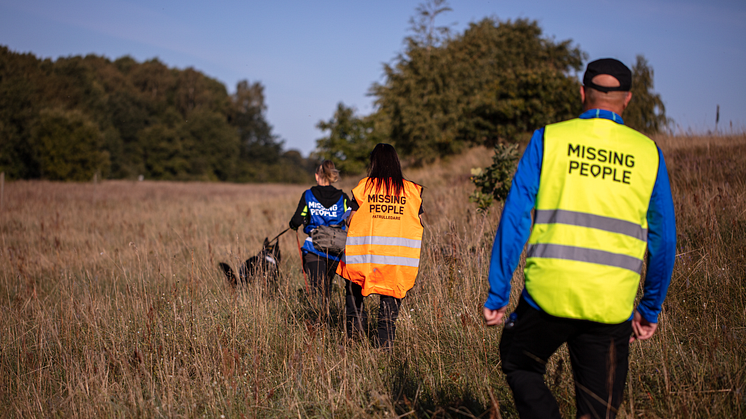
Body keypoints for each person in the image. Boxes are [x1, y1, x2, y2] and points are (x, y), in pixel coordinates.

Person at [482, 58, 676, 419]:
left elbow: (516, 217)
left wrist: (498, 292)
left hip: (547, 296)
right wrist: (650, 309)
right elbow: (663, 240)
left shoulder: (550, 138)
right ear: (628, 99)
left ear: (583, 92)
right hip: (611, 303)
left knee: (519, 363)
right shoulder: (648, 153)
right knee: (597, 410)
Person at [336, 143, 424, 349]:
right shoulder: (412, 191)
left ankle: (354, 341)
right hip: (397, 260)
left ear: (373, 162)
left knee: (353, 296)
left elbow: (351, 220)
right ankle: (384, 349)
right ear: (396, 162)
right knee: (388, 310)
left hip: (364, 258)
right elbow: (418, 221)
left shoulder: (364, 188)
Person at [289, 160, 351, 306]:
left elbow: (297, 220)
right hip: (336, 250)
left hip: (313, 249)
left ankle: (319, 319)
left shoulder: (308, 195)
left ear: (317, 176)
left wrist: (293, 225)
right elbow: (351, 219)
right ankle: (328, 317)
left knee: (318, 289)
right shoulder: (343, 197)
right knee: (327, 287)